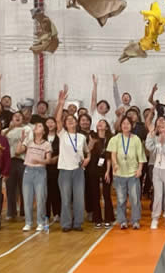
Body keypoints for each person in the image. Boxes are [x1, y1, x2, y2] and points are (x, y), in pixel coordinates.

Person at [55, 85, 90, 232]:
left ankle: (78, 223)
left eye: (72, 120)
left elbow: (87, 152)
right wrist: (61, 103)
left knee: (79, 198)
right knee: (65, 198)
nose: (70, 121)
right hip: (64, 170)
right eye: (67, 120)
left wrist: (87, 159)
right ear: (65, 124)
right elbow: (57, 120)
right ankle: (66, 223)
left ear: (76, 123)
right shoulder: (62, 134)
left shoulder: (81, 137)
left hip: (78, 170)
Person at [108, 116, 147, 229]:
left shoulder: (136, 139)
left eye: (128, 124)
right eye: (123, 123)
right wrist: (115, 164)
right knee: (121, 199)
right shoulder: (115, 139)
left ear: (132, 126)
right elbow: (113, 154)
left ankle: (135, 221)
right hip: (119, 174)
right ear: (120, 126)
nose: (125, 126)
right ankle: (122, 221)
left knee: (135, 199)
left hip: (133, 173)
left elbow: (141, 156)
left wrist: (140, 169)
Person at [17, 122, 52, 231]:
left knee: (41, 198)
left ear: (44, 131)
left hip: (40, 171)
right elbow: (18, 151)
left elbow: (49, 160)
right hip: (28, 171)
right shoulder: (29, 141)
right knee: (27, 198)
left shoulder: (47, 144)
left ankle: (40, 222)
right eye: (36, 126)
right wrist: (21, 140)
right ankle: (28, 222)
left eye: (40, 126)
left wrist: (39, 161)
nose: (37, 127)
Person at [3, 112, 30, 220]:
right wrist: (9, 128)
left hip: (22, 160)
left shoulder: (27, 129)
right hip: (9, 161)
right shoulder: (6, 130)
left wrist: (20, 150)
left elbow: (28, 143)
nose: (17, 117)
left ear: (23, 119)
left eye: (20, 116)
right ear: (12, 119)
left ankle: (24, 212)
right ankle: (11, 212)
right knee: (10, 188)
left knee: (24, 187)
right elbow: (0, 140)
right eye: (15, 116)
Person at [88, 119, 114, 228]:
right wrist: (91, 143)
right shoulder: (92, 136)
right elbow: (87, 150)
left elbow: (109, 156)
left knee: (106, 194)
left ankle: (108, 218)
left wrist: (108, 171)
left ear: (107, 127)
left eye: (103, 123)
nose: (100, 124)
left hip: (106, 168)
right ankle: (97, 219)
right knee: (95, 194)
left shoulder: (110, 138)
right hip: (93, 168)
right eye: (99, 122)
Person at [44, 117, 61, 223]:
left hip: (56, 167)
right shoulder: (42, 137)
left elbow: (63, 150)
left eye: (52, 122)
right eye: (48, 122)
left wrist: (57, 157)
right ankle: (46, 214)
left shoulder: (59, 137)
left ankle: (57, 213)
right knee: (45, 191)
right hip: (43, 167)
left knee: (55, 190)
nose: (50, 124)